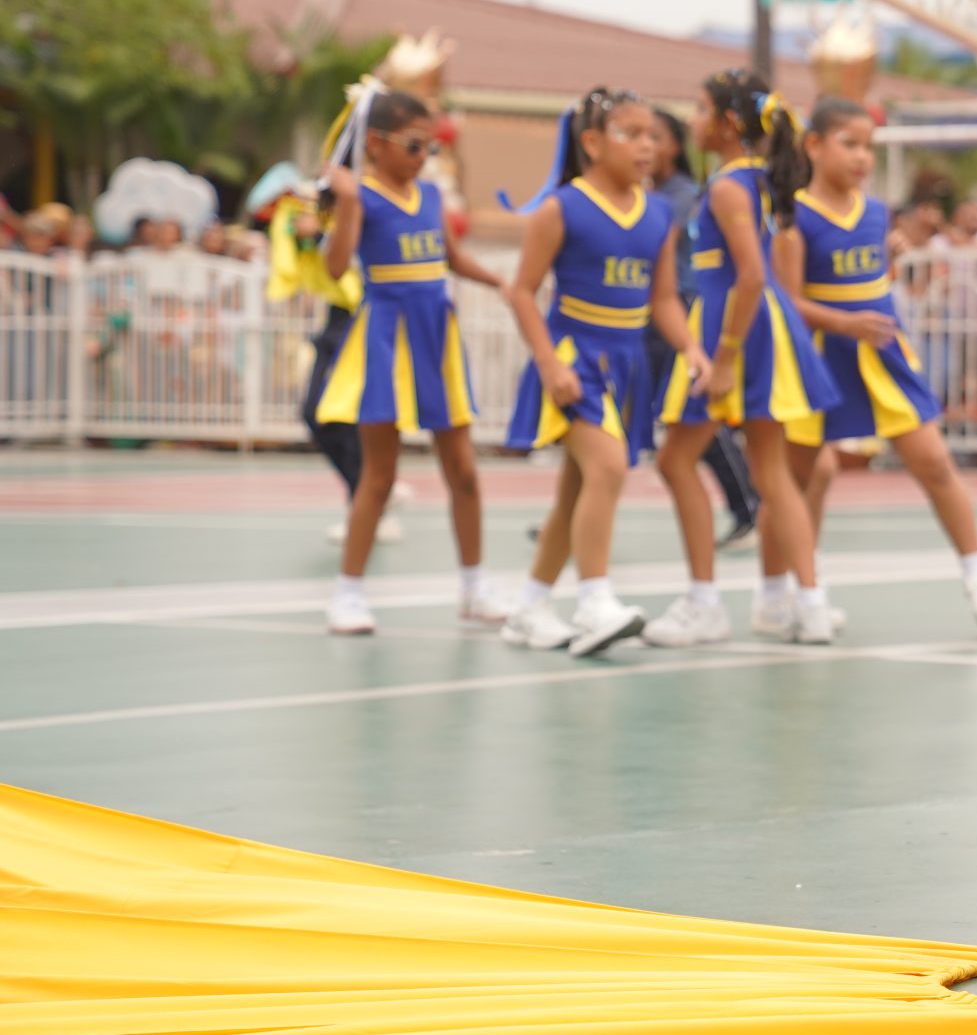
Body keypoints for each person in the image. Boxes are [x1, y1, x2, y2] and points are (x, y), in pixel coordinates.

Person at [776, 97, 977, 626]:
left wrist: (888, 264)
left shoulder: (876, 212)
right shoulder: (794, 216)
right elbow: (788, 300)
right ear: (813, 145)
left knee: (933, 461)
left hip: (883, 352)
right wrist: (843, 324)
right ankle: (799, 588)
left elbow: (868, 275)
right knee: (804, 478)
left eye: (869, 146)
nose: (862, 156)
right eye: (849, 144)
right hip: (821, 356)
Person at [642, 71, 840, 647]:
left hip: (732, 328)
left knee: (676, 461)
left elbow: (751, 275)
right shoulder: (754, 179)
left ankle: (705, 603)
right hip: (757, 327)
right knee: (771, 472)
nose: (693, 120)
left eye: (701, 109)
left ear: (728, 124)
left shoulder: (730, 185)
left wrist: (725, 355)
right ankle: (811, 605)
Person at [497, 88, 694, 657]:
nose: (646, 146)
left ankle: (529, 608)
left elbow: (663, 299)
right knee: (608, 467)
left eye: (652, 135)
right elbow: (523, 292)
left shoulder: (659, 213)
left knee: (577, 490)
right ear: (591, 142)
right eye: (630, 134)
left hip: (627, 362)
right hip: (573, 359)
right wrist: (549, 362)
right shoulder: (561, 208)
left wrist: (692, 349)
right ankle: (594, 601)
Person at [313, 91, 511, 636]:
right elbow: (335, 268)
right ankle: (348, 594)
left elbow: (452, 258)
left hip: (436, 337)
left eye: (431, 146)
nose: (425, 156)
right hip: (386, 337)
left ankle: (474, 586)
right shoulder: (363, 198)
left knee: (463, 470)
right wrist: (346, 205)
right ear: (376, 144)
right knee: (379, 475)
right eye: (415, 145)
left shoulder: (429, 194)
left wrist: (502, 282)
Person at [261, 174, 392, 542]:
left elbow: (352, 266)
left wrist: (320, 235)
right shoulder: (327, 217)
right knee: (316, 413)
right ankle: (369, 492)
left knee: (351, 417)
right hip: (337, 320)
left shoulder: (364, 214)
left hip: (363, 318)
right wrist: (304, 231)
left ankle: (369, 502)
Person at [651, 108, 759, 549]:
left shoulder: (683, 194)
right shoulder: (657, 194)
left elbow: (749, 272)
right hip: (642, 315)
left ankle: (747, 506)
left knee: (697, 422)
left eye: (653, 136)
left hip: (681, 312)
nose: (645, 147)